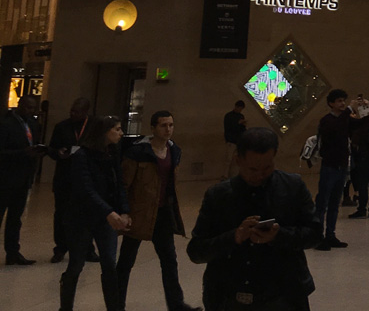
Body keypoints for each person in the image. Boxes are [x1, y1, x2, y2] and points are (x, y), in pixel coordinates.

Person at [187, 127, 322, 311]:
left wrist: (278, 236)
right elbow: (196, 251)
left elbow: (314, 234)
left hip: (284, 296)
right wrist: (234, 237)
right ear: (238, 160)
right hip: (228, 297)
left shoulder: (293, 187)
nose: (259, 175)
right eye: (252, 169)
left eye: (267, 167)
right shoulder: (218, 196)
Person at [117, 110, 199, 311]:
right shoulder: (138, 152)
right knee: (126, 261)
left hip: (162, 212)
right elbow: (124, 184)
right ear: (153, 128)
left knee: (169, 260)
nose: (168, 129)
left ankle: (176, 304)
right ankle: (116, 304)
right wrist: (124, 211)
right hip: (139, 213)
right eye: (163, 125)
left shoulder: (174, 150)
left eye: (171, 125)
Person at [61, 115, 130, 311]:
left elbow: (119, 186)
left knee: (109, 264)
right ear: (104, 132)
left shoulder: (112, 153)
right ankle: (65, 306)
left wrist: (124, 210)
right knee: (76, 265)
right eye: (116, 129)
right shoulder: (82, 155)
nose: (120, 133)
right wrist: (108, 211)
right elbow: (85, 189)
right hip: (81, 218)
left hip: (106, 217)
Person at [49, 97, 94, 263]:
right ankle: (60, 248)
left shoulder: (94, 127)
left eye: (77, 112)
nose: (73, 114)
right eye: (72, 111)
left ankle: (88, 249)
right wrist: (58, 152)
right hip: (64, 178)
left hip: (86, 178)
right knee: (61, 214)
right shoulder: (62, 127)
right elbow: (52, 148)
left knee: (87, 215)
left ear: (85, 112)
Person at [1, 94, 44, 265]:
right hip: (4, 178)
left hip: (23, 178)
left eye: (33, 108)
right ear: (19, 105)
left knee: (15, 218)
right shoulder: (5, 124)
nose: (30, 111)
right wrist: (22, 153)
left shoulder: (33, 124)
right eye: (27, 107)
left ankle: (13, 253)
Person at [314, 88, 351, 250]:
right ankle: (317, 236)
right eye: (339, 101)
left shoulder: (346, 119)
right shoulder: (327, 120)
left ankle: (330, 234)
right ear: (331, 103)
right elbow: (333, 132)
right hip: (329, 166)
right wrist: (348, 111)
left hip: (341, 165)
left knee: (335, 202)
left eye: (344, 101)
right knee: (323, 202)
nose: (342, 104)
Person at [222, 101, 246, 180]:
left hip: (238, 141)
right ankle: (225, 175)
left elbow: (242, 129)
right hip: (231, 140)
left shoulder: (241, 116)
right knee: (228, 159)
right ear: (236, 107)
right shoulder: (228, 116)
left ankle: (235, 175)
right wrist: (238, 124)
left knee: (237, 160)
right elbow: (228, 128)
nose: (240, 110)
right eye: (240, 108)